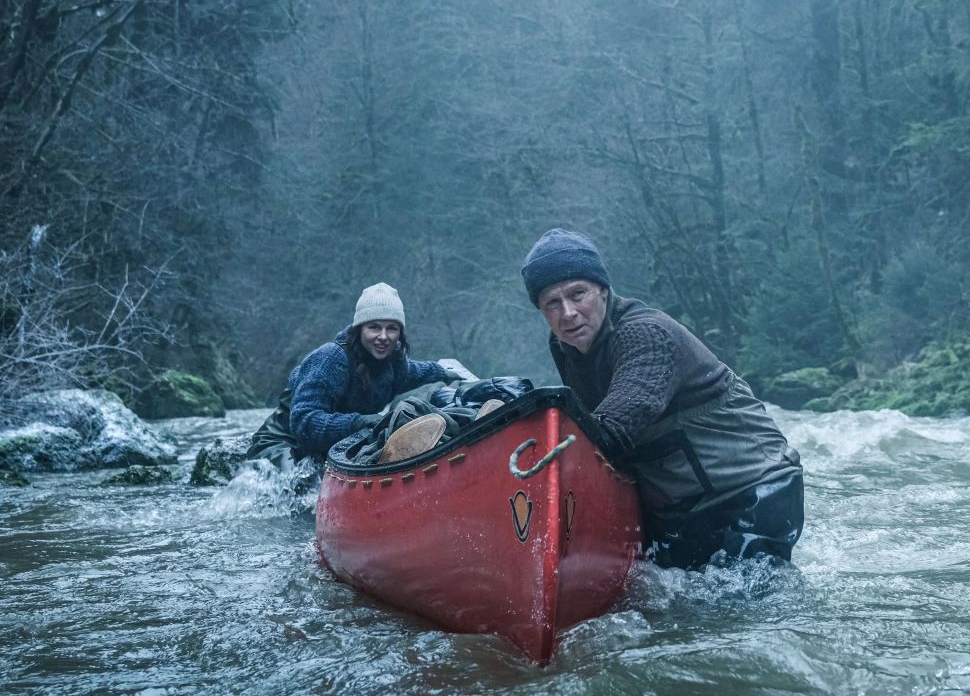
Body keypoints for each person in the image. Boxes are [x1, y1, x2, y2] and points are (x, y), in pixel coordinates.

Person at [521, 228, 804, 569]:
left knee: (740, 609)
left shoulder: (646, 335)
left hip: (752, 492)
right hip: (683, 507)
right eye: (552, 303)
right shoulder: (565, 346)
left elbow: (611, 432)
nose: (567, 313)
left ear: (603, 290)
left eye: (577, 294)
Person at [246, 282, 472, 468]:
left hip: (333, 448)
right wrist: (361, 422)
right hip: (282, 444)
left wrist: (445, 371)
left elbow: (417, 371)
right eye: (374, 327)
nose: (383, 336)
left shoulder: (394, 363)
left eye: (391, 328)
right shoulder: (330, 359)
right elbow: (305, 425)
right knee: (300, 488)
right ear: (359, 329)